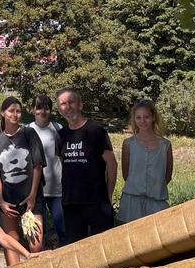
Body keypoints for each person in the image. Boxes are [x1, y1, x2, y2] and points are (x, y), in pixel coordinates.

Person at [0, 97, 45, 265]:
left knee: (35, 243)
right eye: (11, 111)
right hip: (8, 199)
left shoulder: (29, 134)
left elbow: (37, 166)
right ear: (3, 113)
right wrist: (1, 201)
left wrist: (33, 195)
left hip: (31, 198)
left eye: (18, 111)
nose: (15, 114)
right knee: (11, 242)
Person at [56, 88, 116, 243]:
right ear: (59, 109)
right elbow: (64, 166)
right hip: (71, 204)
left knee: (104, 249)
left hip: (97, 202)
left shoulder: (96, 131)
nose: (67, 107)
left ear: (80, 104)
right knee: (76, 252)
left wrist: (108, 195)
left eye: (71, 102)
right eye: (63, 103)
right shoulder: (61, 135)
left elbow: (112, 164)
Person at [119, 99, 173, 223]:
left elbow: (167, 176)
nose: (142, 121)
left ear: (153, 117)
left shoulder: (165, 145)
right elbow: (126, 174)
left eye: (146, 117)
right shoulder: (128, 144)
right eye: (138, 117)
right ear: (134, 119)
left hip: (157, 202)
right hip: (132, 202)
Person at [28, 94, 66, 245]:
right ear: (33, 110)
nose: (42, 111)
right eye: (39, 108)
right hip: (36, 192)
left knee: (62, 229)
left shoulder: (58, 129)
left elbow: (64, 158)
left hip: (57, 189)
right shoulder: (27, 131)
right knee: (37, 235)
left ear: (50, 110)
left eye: (46, 108)